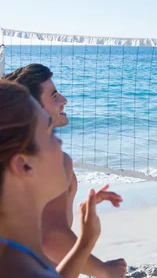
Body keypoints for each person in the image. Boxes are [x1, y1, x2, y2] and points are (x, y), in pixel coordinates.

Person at [2, 64, 127, 277]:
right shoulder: (50, 164)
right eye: (54, 95)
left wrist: (85, 242)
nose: (63, 100)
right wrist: (104, 270)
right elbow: (51, 238)